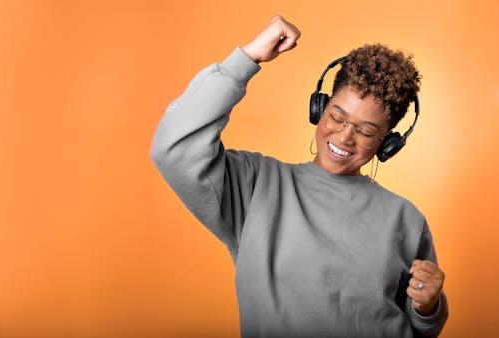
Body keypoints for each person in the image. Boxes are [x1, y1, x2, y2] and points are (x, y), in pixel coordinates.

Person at [151, 15, 448, 338]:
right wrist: (246, 59)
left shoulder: (406, 218)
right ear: (319, 109)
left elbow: (421, 325)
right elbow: (175, 147)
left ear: (387, 143)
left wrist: (428, 307)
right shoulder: (256, 185)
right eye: (337, 116)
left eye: (366, 131)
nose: (345, 137)